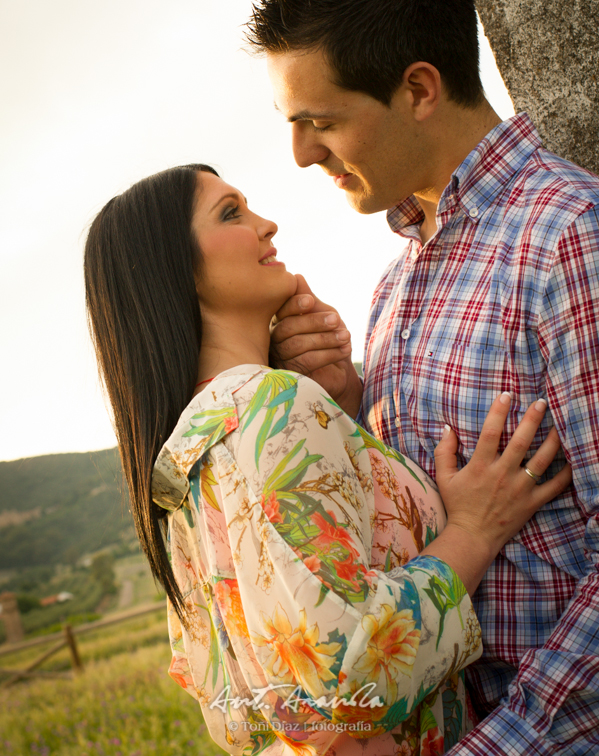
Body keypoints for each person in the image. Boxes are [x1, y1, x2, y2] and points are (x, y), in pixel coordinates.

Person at [247, 0, 599, 754]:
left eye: (320, 120)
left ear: (417, 88)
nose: (300, 155)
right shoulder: (397, 283)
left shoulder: (569, 240)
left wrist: (498, 745)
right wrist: (348, 406)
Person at [83, 165, 570, 756]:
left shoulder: (189, 448)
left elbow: (244, 711)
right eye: (231, 213)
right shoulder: (270, 404)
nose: (267, 225)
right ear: (174, 269)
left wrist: (341, 401)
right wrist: (472, 531)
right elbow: (353, 678)